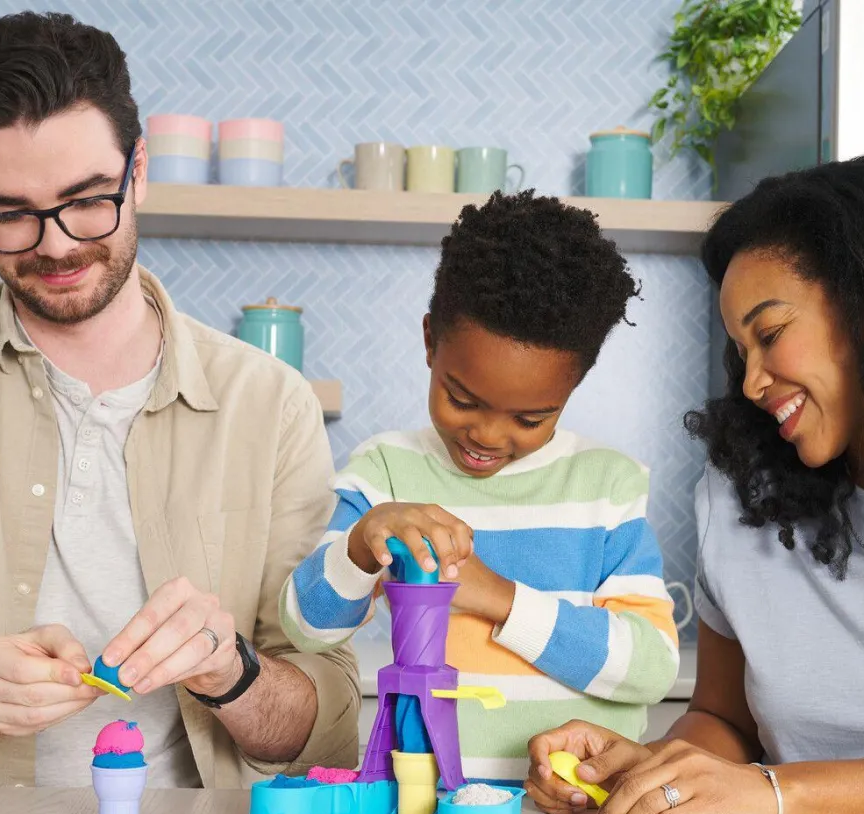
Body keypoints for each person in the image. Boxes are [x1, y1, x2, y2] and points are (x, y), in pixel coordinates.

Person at [0, 12, 358, 787]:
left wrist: (232, 672)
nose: (55, 245)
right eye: (9, 215)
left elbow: (326, 736)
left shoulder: (271, 407)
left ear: (140, 170)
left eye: (87, 198)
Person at [526, 156, 864, 814]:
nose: (752, 382)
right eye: (742, 351)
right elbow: (725, 720)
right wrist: (653, 768)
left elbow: (763, 787)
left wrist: (777, 793)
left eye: (769, 335)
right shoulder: (740, 498)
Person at [280, 190, 680, 780]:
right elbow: (307, 629)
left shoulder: (607, 488)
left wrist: (497, 596)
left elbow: (651, 667)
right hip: (428, 808)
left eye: (530, 418)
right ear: (428, 342)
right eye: (463, 399)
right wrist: (363, 543)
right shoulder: (387, 473)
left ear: (574, 388)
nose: (488, 436)